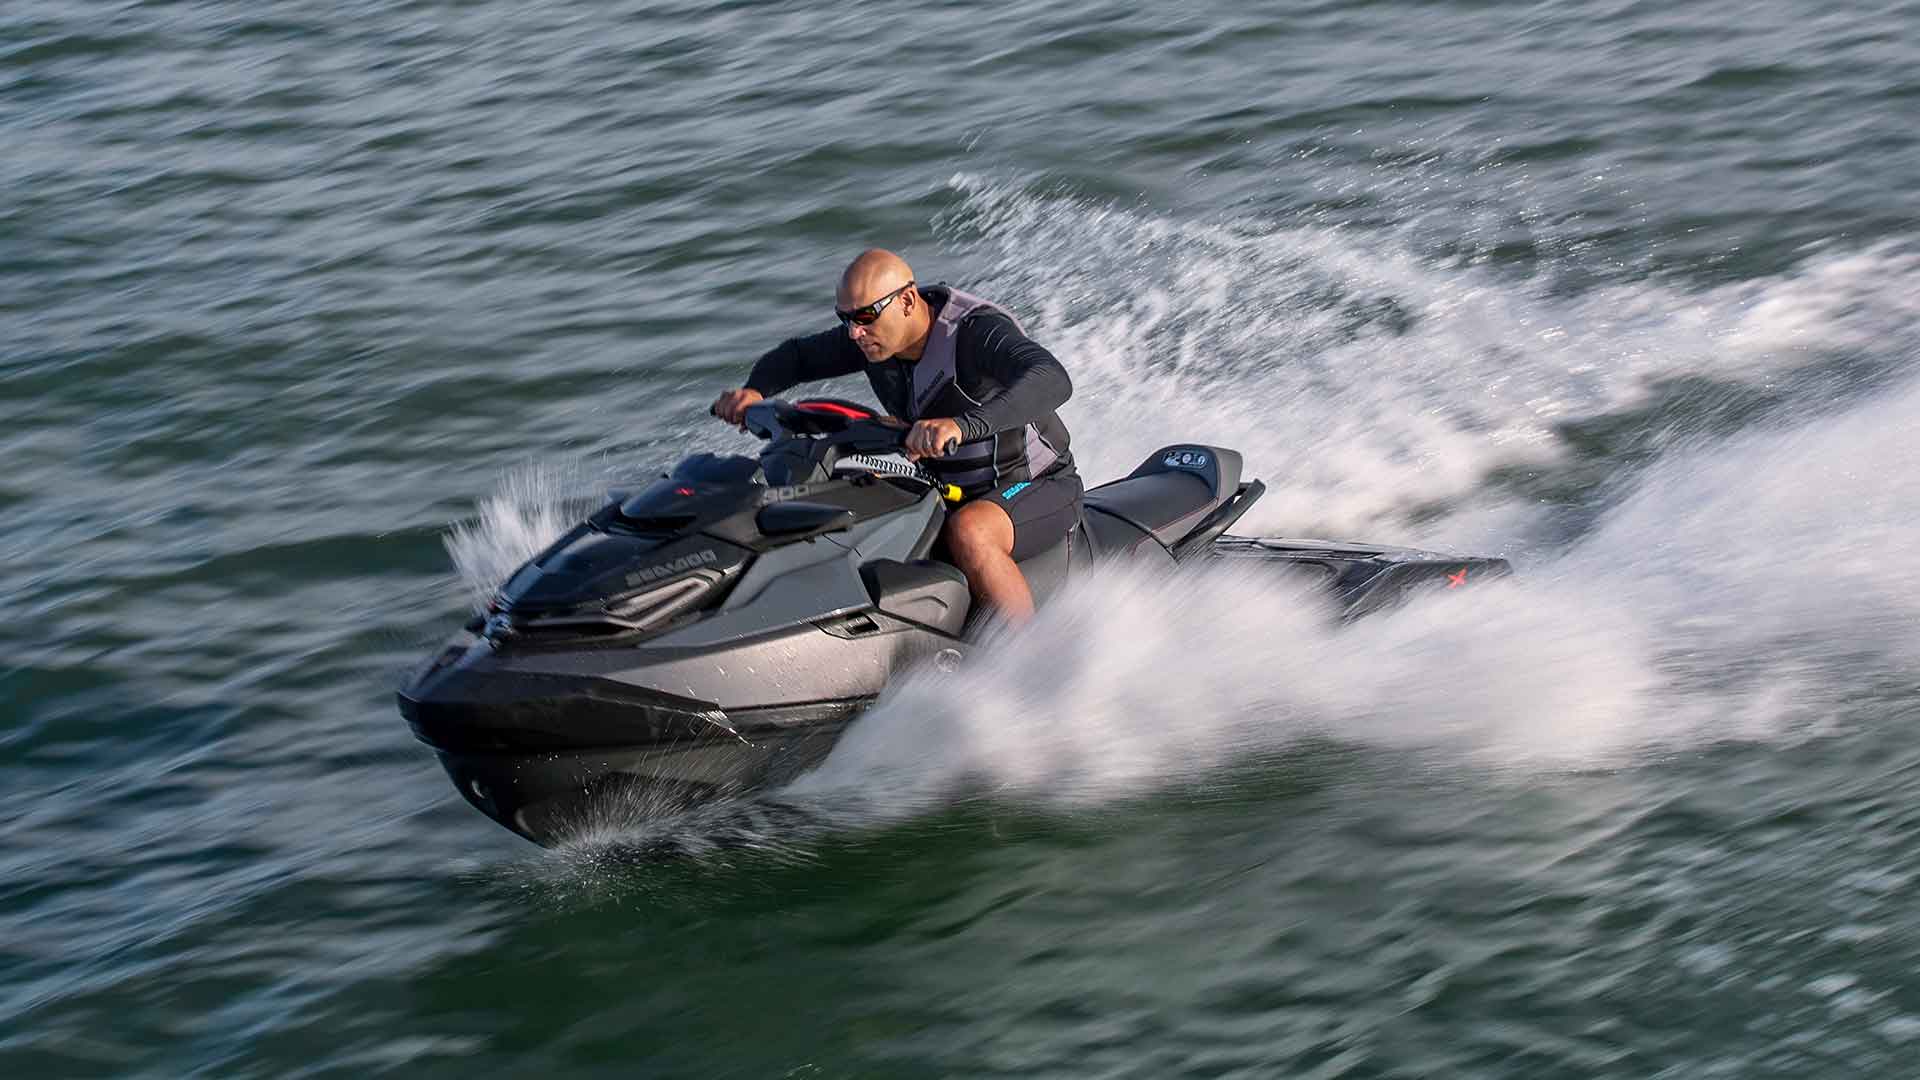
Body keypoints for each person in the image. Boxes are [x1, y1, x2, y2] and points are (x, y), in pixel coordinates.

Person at [711, 249, 1079, 624]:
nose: (854, 331)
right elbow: (798, 356)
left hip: (1034, 485)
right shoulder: (872, 338)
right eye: (846, 318)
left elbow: (1052, 378)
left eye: (865, 316)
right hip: (945, 487)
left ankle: (1029, 660)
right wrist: (754, 391)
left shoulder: (973, 333)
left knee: (970, 532)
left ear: (906, 300)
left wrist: (960, 425)